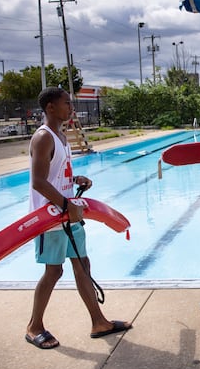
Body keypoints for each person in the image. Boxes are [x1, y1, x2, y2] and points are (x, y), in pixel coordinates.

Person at [25, 87, 131, 349]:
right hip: (49, 217)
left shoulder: (60, 136)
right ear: (50, 107)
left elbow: (53, 174)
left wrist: (74, 179)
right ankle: (33, 326)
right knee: (54, 271)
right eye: (66, 103)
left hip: (68, 213)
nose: (71, 107)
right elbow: (38, 182)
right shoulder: (43, 137)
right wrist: (65, 204)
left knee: (82, 265)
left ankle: (99, 321)